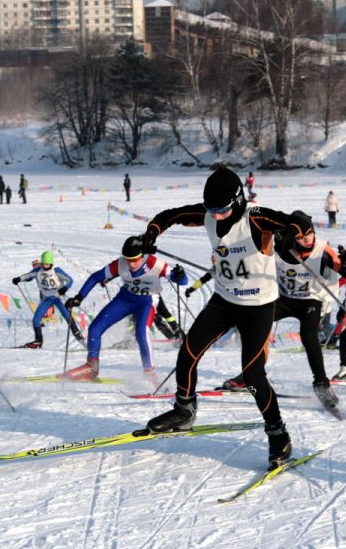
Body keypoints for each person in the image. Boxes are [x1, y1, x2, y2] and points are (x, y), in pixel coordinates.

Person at [135, 167, 293, 468]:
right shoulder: (209, 215)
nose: (215, 216)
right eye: (211, 210)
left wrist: (290, 236)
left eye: (221, 210)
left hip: (259, 306)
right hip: (224, 300)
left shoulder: (255, 217)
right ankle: (184, 410)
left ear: (237, 201)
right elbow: (170, 215)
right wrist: (151, 234)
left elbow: (294, 223)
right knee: (189, 352)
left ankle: (278, 433)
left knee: (253, 375)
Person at [226, 211, 343, 408]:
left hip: (310, 301)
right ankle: (252, 374)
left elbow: (344, 269)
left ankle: (322, 384)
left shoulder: (323, 249)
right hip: (283, 299)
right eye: (300, 237)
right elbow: (253, 258)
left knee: (309, 335)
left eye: (309, 235)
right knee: (256, 324)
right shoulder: (281, 246)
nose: (306, 240)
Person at [64, 237, 187, 379]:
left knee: (141, 333)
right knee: (94, 329)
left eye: (135, 259)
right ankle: (92, 367)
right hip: (125, 299)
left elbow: (182, 281)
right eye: (128, 259)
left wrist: (180, 275)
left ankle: (150, 374)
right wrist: (79, 298)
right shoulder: (120, 264)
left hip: (146, 302)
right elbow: (95, 277)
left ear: (142, 255)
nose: (131, 264)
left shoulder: (154, 263)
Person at [12, 251, 83, 349]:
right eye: (43, 263)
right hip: (46, 299)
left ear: (51, 263)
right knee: (36, 320)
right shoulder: (38, 271)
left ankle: (77, 333)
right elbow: (28, 276)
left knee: (66, 314)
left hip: (57, 297)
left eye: (47, 263)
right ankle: (38, 341)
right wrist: (18, 279)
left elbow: (70, 280)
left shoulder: (56, 271)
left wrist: (65, 288)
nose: (45, 265)